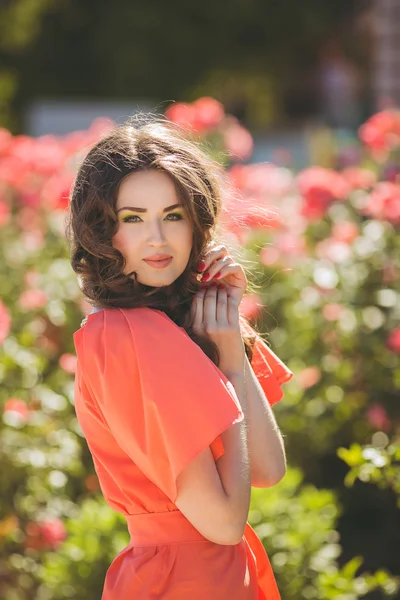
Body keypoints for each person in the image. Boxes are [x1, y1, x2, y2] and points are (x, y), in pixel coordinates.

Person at [65, 113, 293, 599]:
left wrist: (231, 354)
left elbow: (270, 469)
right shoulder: (124, 335)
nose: (157, 238)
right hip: (180, 581)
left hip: (219, 575)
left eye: (173, 215)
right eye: (133, 218)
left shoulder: (185, 325)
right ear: (104, 234)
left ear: (196, 223)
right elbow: (225, 521)